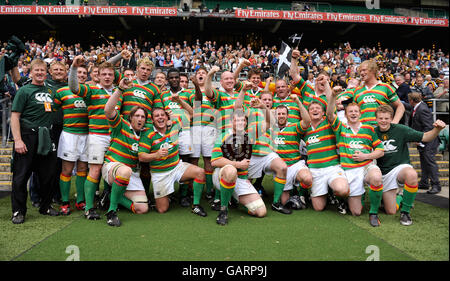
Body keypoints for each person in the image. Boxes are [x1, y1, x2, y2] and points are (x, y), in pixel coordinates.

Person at [68, 55, 122, 220]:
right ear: (97, 75)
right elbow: (74, 88)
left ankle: (108, 203)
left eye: (110, 74)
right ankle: (89, 208)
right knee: (95, 170)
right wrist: (73, 68)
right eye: (103, 74)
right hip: (97, 137)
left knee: (112, 170)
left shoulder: (119, 92)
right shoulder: (91, 90)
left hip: (115, 137)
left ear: (114, 77)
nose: (107, 77)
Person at [374, 105, 446, 226]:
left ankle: (405, 213)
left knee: (411, 174)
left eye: (386, 118)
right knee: (390, 211)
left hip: (400, 168)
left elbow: (426, 137)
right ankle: (401, 197)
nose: (383, 121)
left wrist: (437, 129)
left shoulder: (401, 129)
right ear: (376, 119)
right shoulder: (373, 132)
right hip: (384, 173)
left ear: (391, 118)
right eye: (380, 118)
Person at [10, 59, 60, 224]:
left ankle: (45, 206)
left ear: (47, 73)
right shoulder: (24, 91)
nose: (40, 73)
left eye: (43, 70)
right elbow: (15, 117)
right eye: (37, 70)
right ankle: (18, 211)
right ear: (30, 72)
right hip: (27, 136)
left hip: (46, 136)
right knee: (21, 176)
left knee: (48, 174)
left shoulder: (51, 91)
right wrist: (17, 140)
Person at [327, 84, 385, 226]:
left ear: (360, 113)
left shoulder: (368, 128)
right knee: (356, 212)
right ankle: (347, 197)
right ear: (346, 114)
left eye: (356, 111)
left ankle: (373, 213)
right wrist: (333, 96)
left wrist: (366, 157)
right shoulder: (341, 127)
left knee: (376, 177)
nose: (353, 113)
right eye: (350, 112)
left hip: (365, 166)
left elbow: (380, 151)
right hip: (348, 170)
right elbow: (329, 114)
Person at [138, 105, 208, 217]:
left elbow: (192, 114)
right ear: (152, 120)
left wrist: (174, 114)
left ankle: (196, 205)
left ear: (167, 117)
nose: (160, 118)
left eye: (162, 115)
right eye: (156, 116)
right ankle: (165, 197)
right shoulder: (147, 134)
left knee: (200, 172)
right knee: (162, 209)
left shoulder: (174, 126)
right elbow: (141, 156)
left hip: (176, 167)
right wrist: (156, 155)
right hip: (160, 174)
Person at [102, 77, 149, 227]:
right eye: (137, 116)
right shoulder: (121, 125)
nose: (140, 119)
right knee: (125, 171)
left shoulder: (146, 135)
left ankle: (112, 195)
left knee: (142, 208)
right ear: (131, 117)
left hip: (130, 174)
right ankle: (111, 211)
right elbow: (108, 110)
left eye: (143, 116)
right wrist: (120, 90)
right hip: (112, 167)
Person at [211, 109, 267, 225]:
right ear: (232, 122)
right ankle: (223, 209)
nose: (241, 123)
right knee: (231, 171)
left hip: (240, 179)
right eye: (238, 120)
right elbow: (214, 161)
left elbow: (269, 123)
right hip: (222, 176)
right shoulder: (223, 136)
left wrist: (263, 107)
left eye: (243, 120)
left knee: (261, 212)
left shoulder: (249, 136)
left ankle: (234, 198)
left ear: (246, 123)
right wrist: (238, 165)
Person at [154, 68, 196, 207]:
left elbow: (194, 113)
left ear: (180, 78)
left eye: (176, 77)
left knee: (184, 160)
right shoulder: (163, 94)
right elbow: (160, 112)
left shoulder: (188, 93)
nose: (174, 80)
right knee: (169, 160)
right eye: (171, 78)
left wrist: (180, 101)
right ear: (167, 80)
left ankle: (183, 195)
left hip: (184, 131)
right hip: (169, 133)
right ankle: (170, 192)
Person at [53, 64, 89, 215]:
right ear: (72, 74)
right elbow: (53, 111)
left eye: (84, 73)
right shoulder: (61, 91)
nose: (81, 75)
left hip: (87, 135)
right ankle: (65, 202)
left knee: (82, 169)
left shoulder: (89, 91)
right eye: (78, 72)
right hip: (69, 135)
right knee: (66, 170)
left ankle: (80, 200)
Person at [271, 97, 312, 208]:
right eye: (278, 114)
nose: (281, 116)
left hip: (295, 164)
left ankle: (301, 194)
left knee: (307, 179)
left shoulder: (294, 126)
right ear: (275, 115)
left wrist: (298, 102)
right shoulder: (271, 129)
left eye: (283, 114)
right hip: (281, 169)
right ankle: (293, 193)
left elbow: (307, 121)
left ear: (287, 116)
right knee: (285, 203)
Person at [408, 92, 442, 194]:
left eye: (409, 100)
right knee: (424, 161)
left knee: (430, 162)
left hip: (430, 140)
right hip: (425, 140)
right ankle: (424, 182)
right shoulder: (419, 107)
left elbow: (428, 127)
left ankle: (436, 185)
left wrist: (420, 139)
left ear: (412, 101)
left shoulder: (422, 109)